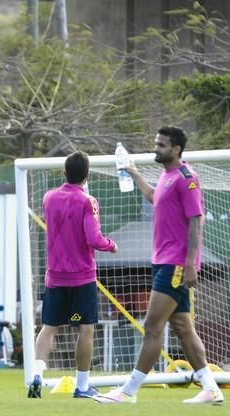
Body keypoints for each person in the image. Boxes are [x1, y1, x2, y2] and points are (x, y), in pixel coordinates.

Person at [94, 127, 224, 405]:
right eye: (156, 143)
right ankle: (211, 388)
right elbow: (155, 198)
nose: (156, 148)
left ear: (176, 149)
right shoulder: (166, 176)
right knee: (183, 327)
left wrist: (190, 263)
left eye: (161, 145)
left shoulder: (187, 179)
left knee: (152, 326)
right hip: (162, 261)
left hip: (176, 263)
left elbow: (195, 221)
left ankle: (128, 391)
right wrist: (134, 173)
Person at [28, 151, 118, 399]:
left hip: (54, 276)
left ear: (64, 172)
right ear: (87, 174)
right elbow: (93, 238)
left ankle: (36, 375)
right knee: (85, 330)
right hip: (81, 277)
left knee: (48, 328)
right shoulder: (87, 201)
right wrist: (111, 244)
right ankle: (81, 386)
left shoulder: (48, 198)